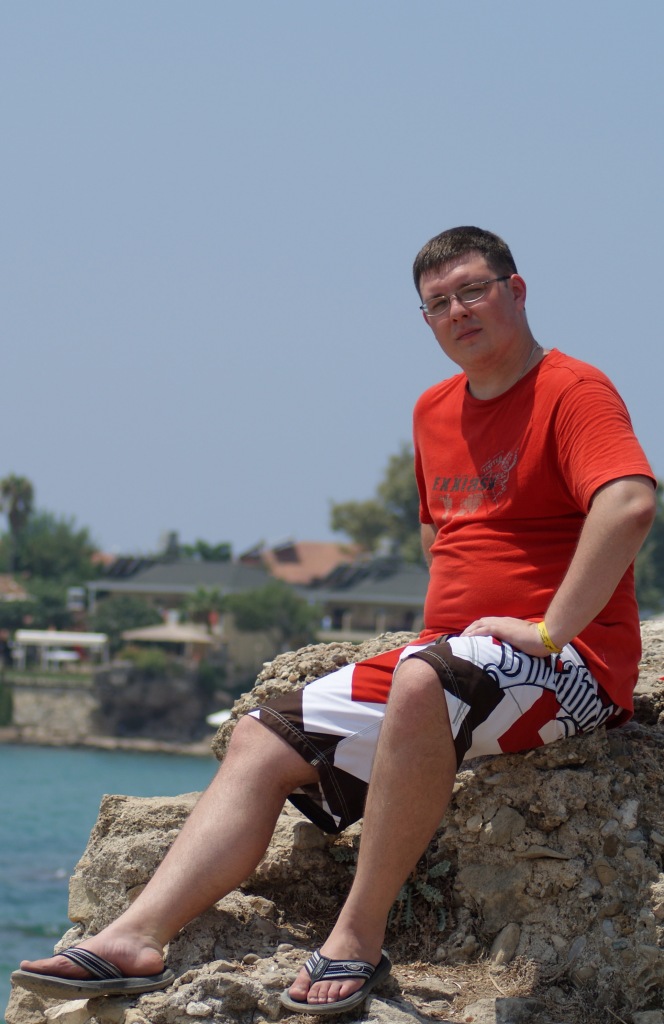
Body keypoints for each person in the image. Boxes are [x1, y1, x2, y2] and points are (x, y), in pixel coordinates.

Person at [13, 226, 656, 1014]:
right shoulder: (433, 410)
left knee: (423, 682)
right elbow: (440, 539)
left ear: (516, 292)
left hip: (570, 668)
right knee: (262, 735)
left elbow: (629, 504)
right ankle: (136, 938)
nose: (458, 311)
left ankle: (357, 936)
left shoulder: (572, 389)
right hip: (451, 659)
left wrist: (552, 628)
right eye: (438, 303)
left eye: (473, 290)